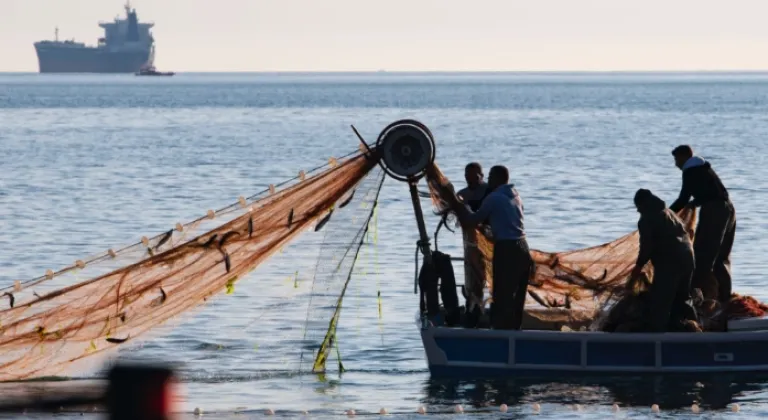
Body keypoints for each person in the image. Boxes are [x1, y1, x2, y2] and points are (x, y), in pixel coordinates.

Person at [435, 165, 533, 330]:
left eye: (491, 176)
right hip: (523, 247)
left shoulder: (493, 198)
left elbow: (470, 221)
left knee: (502, 294)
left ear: (498, 178)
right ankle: (515, 330)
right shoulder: (516, 196)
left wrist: (461, 207)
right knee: (518, 296)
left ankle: (501, 332)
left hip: (507, 248)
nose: (489, 180)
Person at [668, 145, 736, 302]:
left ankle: (705, 298)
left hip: (714, 212)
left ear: (685, 157)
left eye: (676, 159)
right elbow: (710, 191)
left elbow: (683, 198)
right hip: (729, 209)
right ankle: (724, 299)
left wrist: (666, 214)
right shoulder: (704, 169)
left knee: (703, 255)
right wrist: (696, 202)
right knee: (721, 258)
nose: (676, 164)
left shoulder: (690, 171)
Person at [629, 189, 698, 332]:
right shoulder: (669, 212)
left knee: (661, 300)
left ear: (642, 205)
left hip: (670, 262)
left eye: (638, 207)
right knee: (683, 298)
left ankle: (657, 334)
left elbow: (646, 246)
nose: (638, 211)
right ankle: (690, 328)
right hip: (688, 258)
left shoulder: (647, 218)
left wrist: (638, 266)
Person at [456, 162, 490, 326]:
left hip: (490, 243)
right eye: (467, 177)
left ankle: (485, 307)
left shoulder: (490, 193)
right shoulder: (461, 195)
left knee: (487, 276)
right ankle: (473, 308)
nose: (470, 180)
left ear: (481, 176)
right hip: (470, 244)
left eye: (474, 176)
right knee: (472, 277)